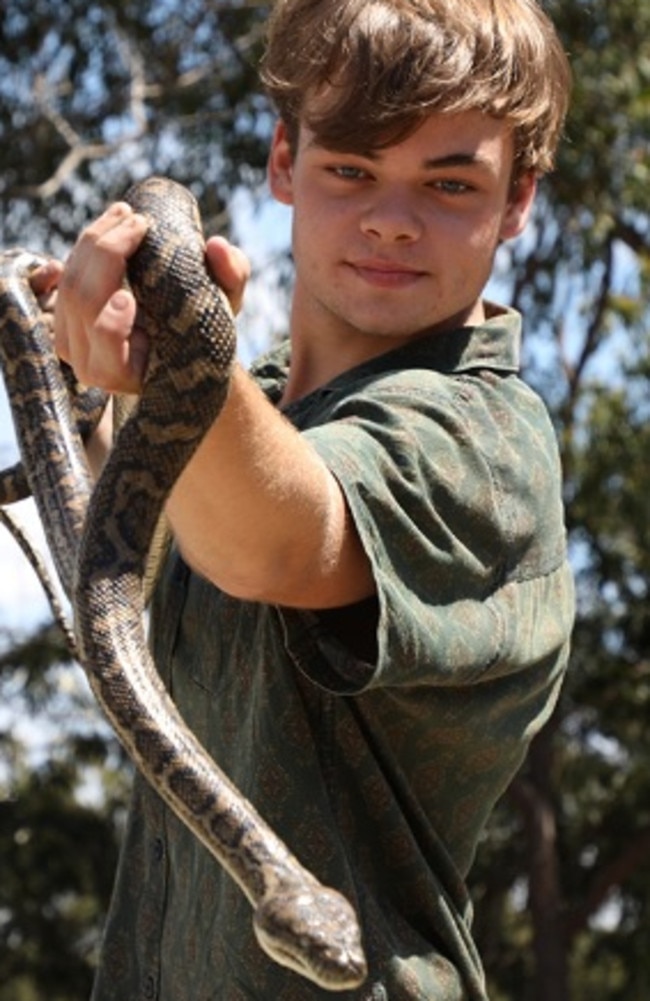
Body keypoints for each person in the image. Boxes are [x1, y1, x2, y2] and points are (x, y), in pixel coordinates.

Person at [44, 0, 575, 997]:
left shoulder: (484, 439)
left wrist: (181, 359)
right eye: (352, 169)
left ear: (516, 201)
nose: (390, 217)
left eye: (449, 182)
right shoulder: (272, 405)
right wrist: (95, 370)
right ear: (284, 161)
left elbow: (275, 547)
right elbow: (162, 527)